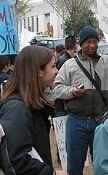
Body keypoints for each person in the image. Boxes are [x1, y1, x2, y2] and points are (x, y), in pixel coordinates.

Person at [53, 25, 108, 175]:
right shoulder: (70, 65)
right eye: (88, 42)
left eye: (95, 41)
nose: (92, 45)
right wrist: (72, 91)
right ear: (81, 43)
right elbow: (57, 88)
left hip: (102, 122)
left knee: (102, 164)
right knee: (74, 165)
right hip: (76, 121)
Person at [0, 46, 67, 175]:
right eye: (53, 66)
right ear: (38, 71)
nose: (56, 71)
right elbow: (17, 162)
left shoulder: (30, 105)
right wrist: (51, 173)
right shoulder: (17, 109)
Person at [54, 36, 77, 164]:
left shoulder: (65, 59)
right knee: (62, 135)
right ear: (76, 45)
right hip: (62, 104)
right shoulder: (65, 61)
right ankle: (61, 157)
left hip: (63, 103)